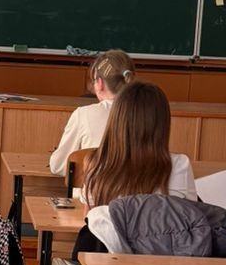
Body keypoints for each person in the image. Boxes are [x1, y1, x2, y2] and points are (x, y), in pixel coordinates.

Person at [81, 80, 197, 253]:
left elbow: (90, 224)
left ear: (116, 120)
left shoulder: (96, 163)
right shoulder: (180, 165)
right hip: (165, 262)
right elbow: (191, 220)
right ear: (162, 124)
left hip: (108, 264)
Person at [48, 50, 135, 175]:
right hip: (140, 188)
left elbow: (58, 166)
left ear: (100, 83)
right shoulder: (149, 114)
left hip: (95, 187)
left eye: (93, 81)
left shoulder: (83, 115)